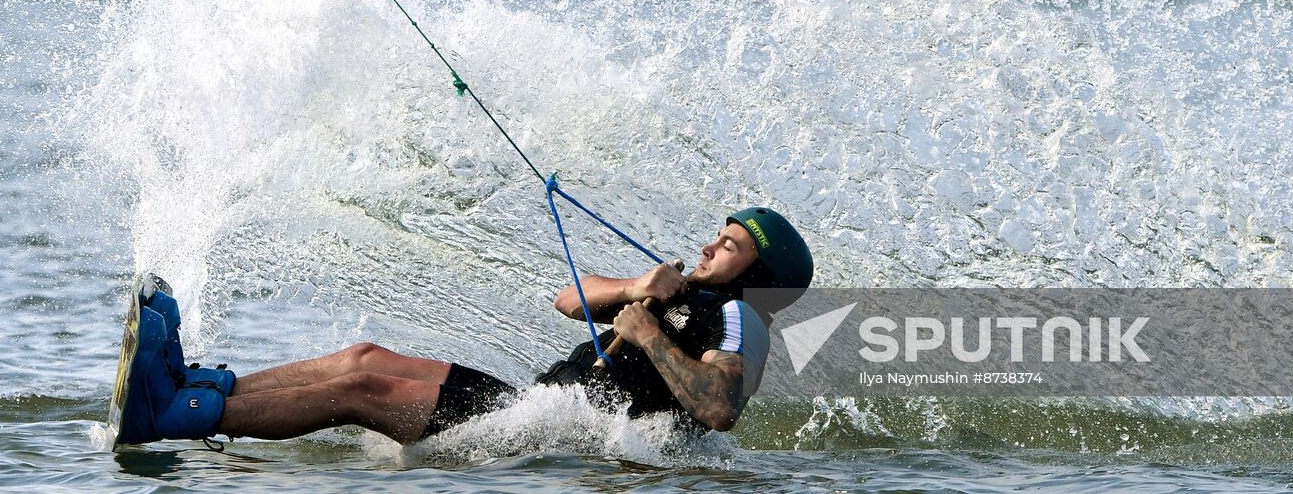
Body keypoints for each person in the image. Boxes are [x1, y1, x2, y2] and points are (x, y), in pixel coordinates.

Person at [116, 207, 813, 446]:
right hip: (536, 404)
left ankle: (177, 417)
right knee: (365, 355)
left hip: (564, 429)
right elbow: (569, 299)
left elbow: (720, 406)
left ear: (758, 271)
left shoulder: (740, 317)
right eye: (716, 235)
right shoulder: (680, 291)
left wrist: (653, 335)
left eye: (729, 244)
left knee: (361, 386)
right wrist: (636, 289)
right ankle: (196, 384)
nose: (708, 246)